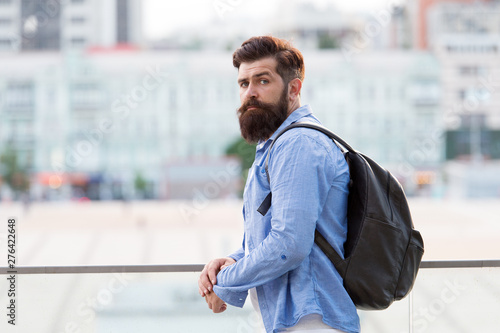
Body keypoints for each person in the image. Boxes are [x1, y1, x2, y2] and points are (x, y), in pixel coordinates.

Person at [198, 36, 360, 333]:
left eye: (262, 81)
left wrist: (226, 283)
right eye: (244, 84)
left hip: (312, 323)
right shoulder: (277, 145)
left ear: (293, 89)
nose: (250, 93)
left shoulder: (298, 144)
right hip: (299, 321)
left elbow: (290, 244)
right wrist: (232, 261)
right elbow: (283, 236)